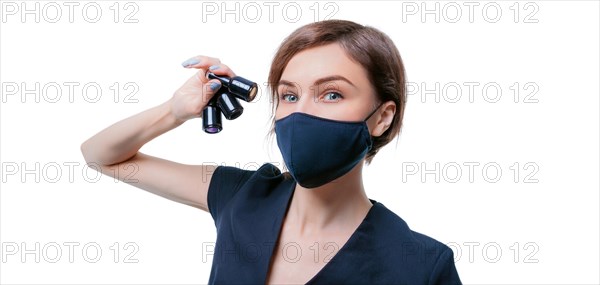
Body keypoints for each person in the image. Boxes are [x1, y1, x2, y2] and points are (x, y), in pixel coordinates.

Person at [81, 19, 462, 284]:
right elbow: (101, 156)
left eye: (332, 93)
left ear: (382, 117)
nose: (302, 112)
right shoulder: (239, 195)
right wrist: (174, 111)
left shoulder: (422, 265)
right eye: (289, 95)